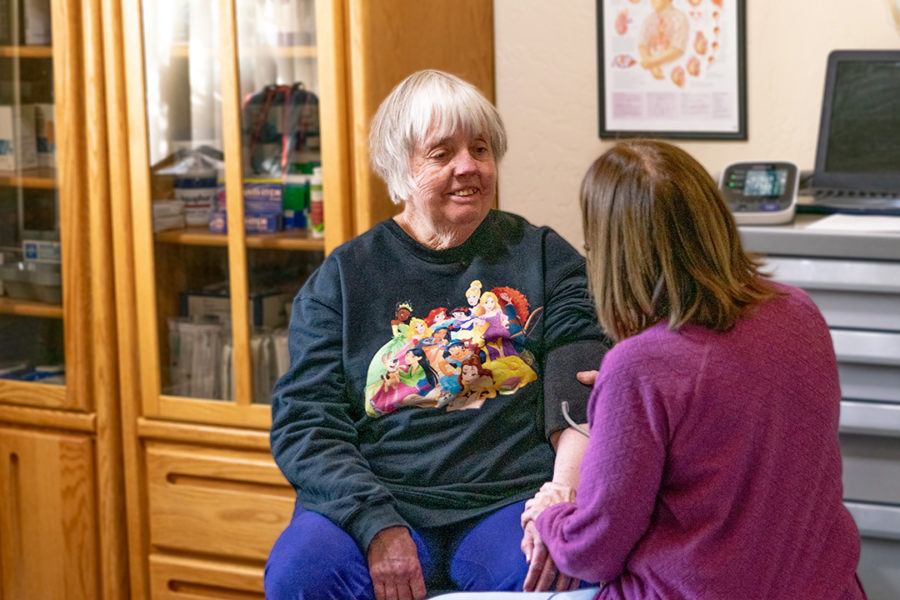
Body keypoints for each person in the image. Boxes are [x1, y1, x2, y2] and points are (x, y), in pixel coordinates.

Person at [265, 69, 612, 600]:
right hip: (381, 498)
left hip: (508, 498)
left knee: (565, 572)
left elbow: (580, 381)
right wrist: (376, 523)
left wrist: (561, 497)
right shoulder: (342, 277)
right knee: (302, 577)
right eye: (441, 153)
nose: (468, 167)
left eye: (480, 149)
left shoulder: (543, 256)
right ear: (399, 167)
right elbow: (307, 422)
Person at [515, 139, 865, 599]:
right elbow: (736, 410)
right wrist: (629, 404)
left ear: (614, 255)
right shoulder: (800, 311)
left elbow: (592, 553)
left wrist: (551, 512)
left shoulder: (638, 368)